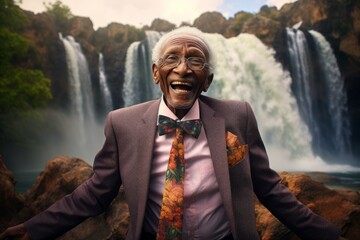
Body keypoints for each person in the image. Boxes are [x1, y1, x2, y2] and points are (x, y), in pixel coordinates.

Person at [0, 26, 346, 240]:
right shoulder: (122, 124)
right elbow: (94, 194)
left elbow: (271, 190)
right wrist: (36, 228)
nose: (183, 68)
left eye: (195, 60)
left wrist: (330, 236)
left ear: (207, 79)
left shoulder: (237, 116)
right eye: (172, 58)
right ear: (156, 73)